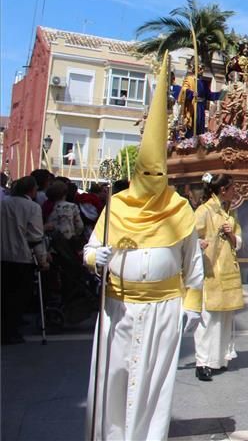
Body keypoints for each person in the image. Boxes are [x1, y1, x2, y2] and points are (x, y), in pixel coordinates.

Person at [83, 54, 204, 440]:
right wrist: (94, 258)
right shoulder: (116, 206)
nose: (153, 180)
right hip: (120, 308)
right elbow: (90, 248)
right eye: (146, 173)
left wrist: (191, 306)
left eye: (159, 173)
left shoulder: (179, 208)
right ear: (137, 173)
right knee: (116, 376)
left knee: (155, 381)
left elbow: (193, 263)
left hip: (164, 310)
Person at [192, 172, 243, 381]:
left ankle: (220, 358)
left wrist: (232, 234)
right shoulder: (204, 211)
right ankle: (202, 361)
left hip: (228, 269)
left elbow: (239, 240)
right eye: (232, 188)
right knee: (208, 318)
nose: (235, 192)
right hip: (210, 269)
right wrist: (201, 243)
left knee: (224, 317)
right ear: (223, 190)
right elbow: (190, 237)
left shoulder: (230, 212)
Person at [1, 176, 47, 345]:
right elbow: (35, 236)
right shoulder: (33, 207)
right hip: (21, 256)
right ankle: (10, 331)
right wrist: (42, 260)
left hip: (2, 254)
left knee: (3, 294)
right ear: (32, 190)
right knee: (17, 297)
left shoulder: (3, 203)